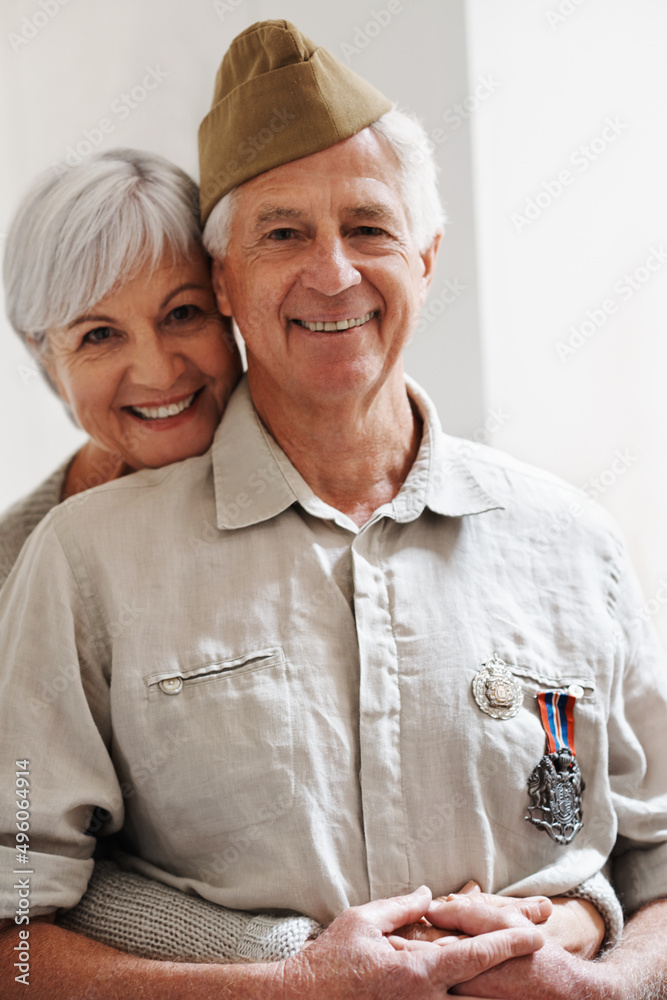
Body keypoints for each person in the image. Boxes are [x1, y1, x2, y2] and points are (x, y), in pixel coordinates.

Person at [1, 19, 665, 999]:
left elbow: (651, 855)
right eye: (282, 233)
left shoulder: (572, 544)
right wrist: (293, 985)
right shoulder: (78, 562)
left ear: (427, 256)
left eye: (368, 226)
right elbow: (14, 941)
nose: (334, 273)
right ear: (225, 281)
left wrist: (603, 980)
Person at [0, 148, 327, 964]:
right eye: (100, 334)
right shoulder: (20, 565)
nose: (156, 370)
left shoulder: (336, 504)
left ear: (229, 307)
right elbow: (22, 893)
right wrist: (274, 954)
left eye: (181, 313)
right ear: (46, 356)